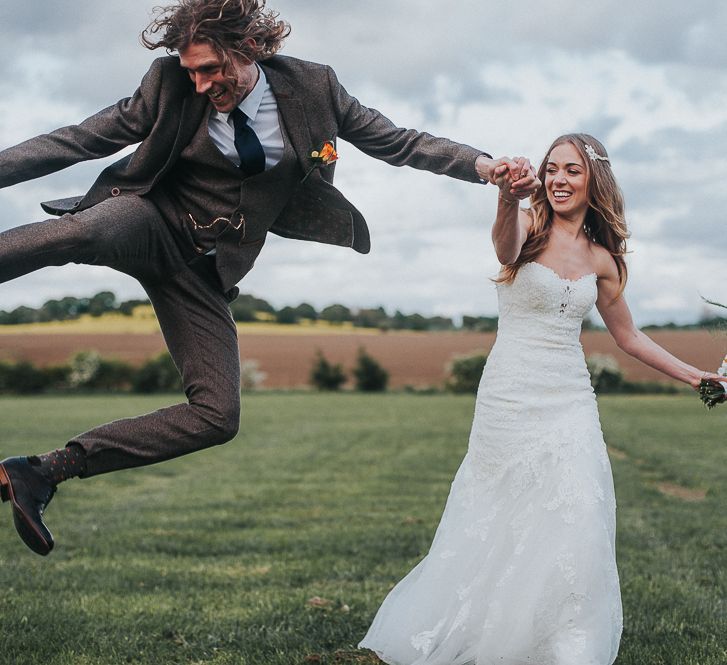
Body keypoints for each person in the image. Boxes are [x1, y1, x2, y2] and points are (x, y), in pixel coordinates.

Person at [0, 0, 539, 557]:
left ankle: (44, 471)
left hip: (201, 268)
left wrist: (484, 167)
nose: (202, 83)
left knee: (217, 416)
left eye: (212, 68)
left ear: (250, 47)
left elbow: (399, 141)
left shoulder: (314, 88)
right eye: (192, 71)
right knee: (80, 233)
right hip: (149, 220)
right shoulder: (167, 85)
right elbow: (77, 139)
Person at [358, 133, 722, 665]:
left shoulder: (605, 260)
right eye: (552, 169)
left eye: (572, 170)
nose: (558, 179)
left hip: (570, 398)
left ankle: (567, 644)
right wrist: (506, 195)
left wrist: (699, 378)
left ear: (595, 179)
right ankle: (491, 632)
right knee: (501, 512)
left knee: (576, 514)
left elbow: (630, 338)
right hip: (508, 394)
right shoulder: (527, 227)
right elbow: (503, 249)